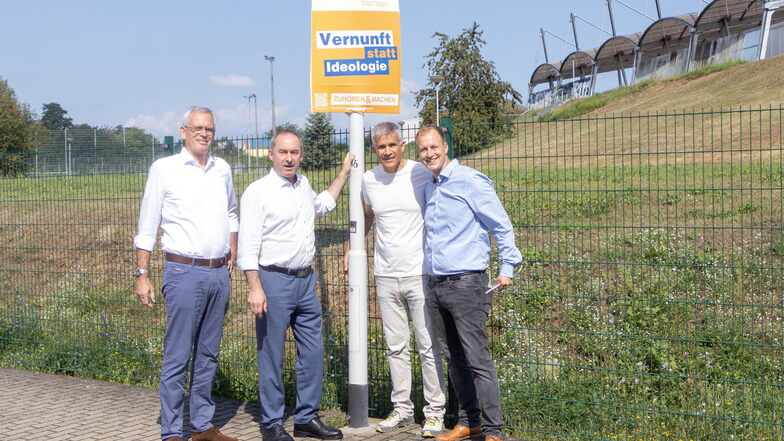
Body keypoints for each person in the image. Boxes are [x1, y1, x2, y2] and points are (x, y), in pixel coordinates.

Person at [237, 130, 354, 441]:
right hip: (273, 281)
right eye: (283, 152)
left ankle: (305, 418)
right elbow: (247, 245)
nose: (289, 158)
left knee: (313, 352)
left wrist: (343, 173)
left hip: (305, 281)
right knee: (271, 355)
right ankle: (272, 424)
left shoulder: (302, 185)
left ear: (301, 156)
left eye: (295, 153)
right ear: (272, 154)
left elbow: (322, 205)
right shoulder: (257, 192)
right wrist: (255, 287)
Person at [133, 106, 238, 441]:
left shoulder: (222, 168)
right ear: (183, 131)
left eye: (209, 128)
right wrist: (142, 272)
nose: (204, 134)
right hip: (184, 271)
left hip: (219, 273)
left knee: (208, 354)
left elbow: (232, 211)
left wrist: (233, 247)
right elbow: (148, 223)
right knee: (178, 355)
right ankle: (172, 431)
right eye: (198, 128)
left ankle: (203, 425)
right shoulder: (165, 169)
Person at [415, 125, 522, 441]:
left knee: (477, 359)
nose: (430, 154)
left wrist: (508, 267)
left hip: (467, 284)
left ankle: (493, 431)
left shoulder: (470, 181)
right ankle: (468, 421)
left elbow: (501, 226)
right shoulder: (429, 187)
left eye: (434, 147)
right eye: (423, 150)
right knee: (454, 359)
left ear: (445, 146)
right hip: (436, 284)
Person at [343, 122, 446, 437]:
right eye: (380, 147)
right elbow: (366, 215)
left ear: (402, 146)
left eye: (392, 145)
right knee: (396, 347)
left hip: (419, 273)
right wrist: (350, 248)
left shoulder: (420, 172)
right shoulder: (369, 179)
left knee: (428, 347)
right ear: (375, 149)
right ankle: (402, 409)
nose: (386, 151)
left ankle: (435, 413)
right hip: (385, 275)